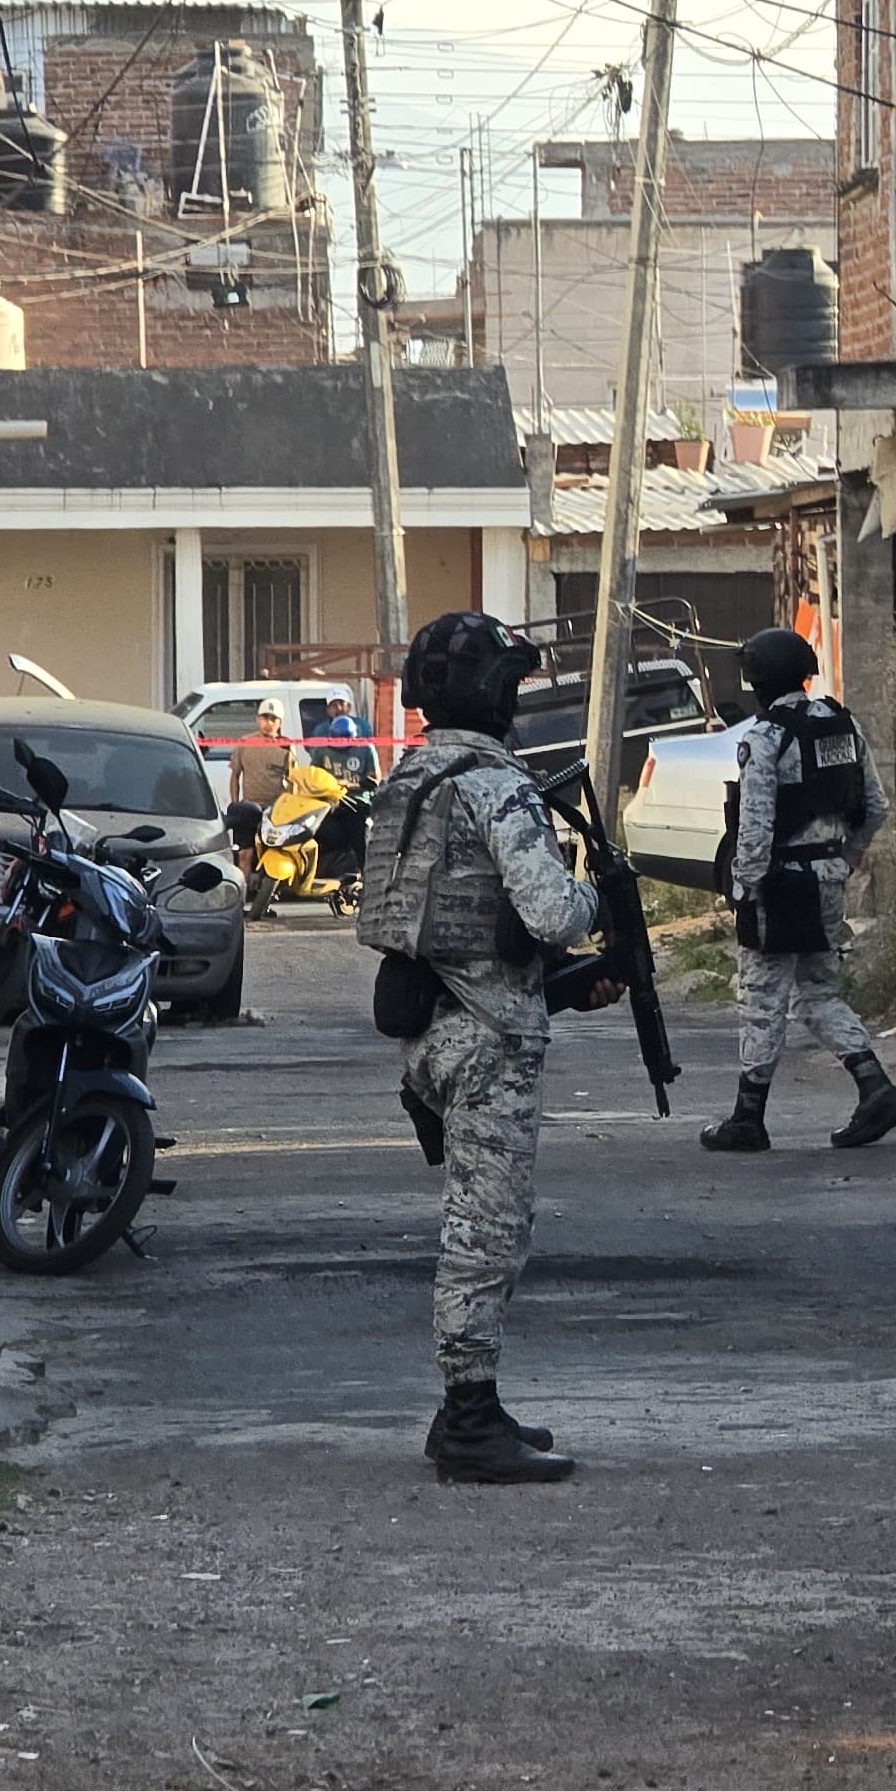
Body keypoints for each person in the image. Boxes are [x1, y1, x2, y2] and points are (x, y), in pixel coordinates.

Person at [355, 612, 606, 1482]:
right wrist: (596, 904)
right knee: (486, 1232)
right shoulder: (496, 786)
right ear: (490, 693)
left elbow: (449, 924)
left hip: (431, 1029)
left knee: (480, 1222)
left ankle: (475, 1402)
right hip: (485, 1046)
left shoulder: (411, 778)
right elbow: (553, 914)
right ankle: (468, 1422)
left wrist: (564, 984)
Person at [700, 628, 896, 1153]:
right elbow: (877, 806)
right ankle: (875, 1086)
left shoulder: (765, 737)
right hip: (827, 880)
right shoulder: (843, 724)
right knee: (818, 991)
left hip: (779, 883)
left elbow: (755, 827)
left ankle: (748, 1118)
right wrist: (846, 857)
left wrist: (745, 889)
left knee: (761, 997)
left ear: (756, 680)